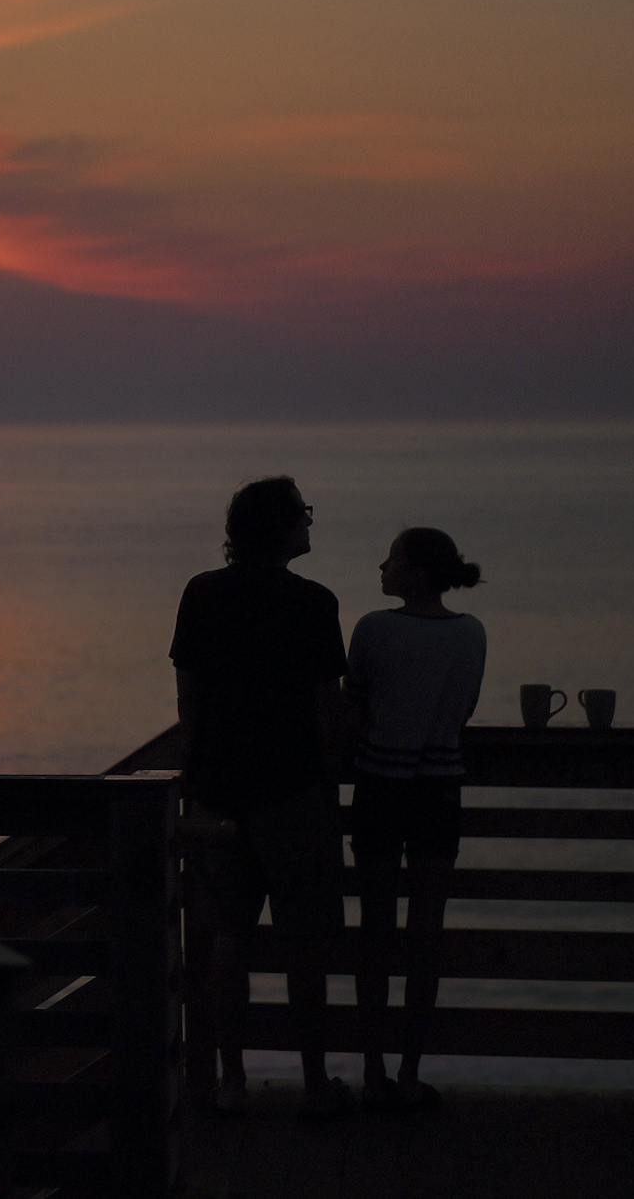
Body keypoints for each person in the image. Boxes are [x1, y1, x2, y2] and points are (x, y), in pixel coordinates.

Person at [170, 476, 353, 1118]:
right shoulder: (313, 603)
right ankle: (314, 1081)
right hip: (293, 790)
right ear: (278, 528)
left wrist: (192, 776)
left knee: (229, 939)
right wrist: (331, 778)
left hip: (218, 791)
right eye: (302, 514)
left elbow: (188, 695)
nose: (310, 524)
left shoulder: (202, 593)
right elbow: (326, 703)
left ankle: (231, 1081)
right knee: (305, 942)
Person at [346, 527, 486, 1113]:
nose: (381, 565)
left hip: (381, 783)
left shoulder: (375, 629)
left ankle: (373, 1073)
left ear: (416, 573)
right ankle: (409, 1072)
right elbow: (465, 710)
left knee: (376, 933)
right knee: (426, 933)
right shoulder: (471, 633)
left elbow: (355, 704)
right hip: (440, 788)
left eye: (393, 558)